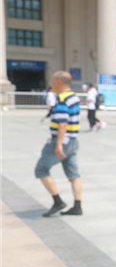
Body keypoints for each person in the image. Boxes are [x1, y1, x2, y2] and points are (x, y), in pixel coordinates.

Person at [36, 71, 83, 217]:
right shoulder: (74, 97)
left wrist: (58, 144)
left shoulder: (62, 99)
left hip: (62, 140)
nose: (50, 84)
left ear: (58, 82)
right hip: (73, 141)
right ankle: (77, 206)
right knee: (74, 174)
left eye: (52, 80)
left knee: (41, 169)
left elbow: (63, 123)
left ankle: (58, 201)